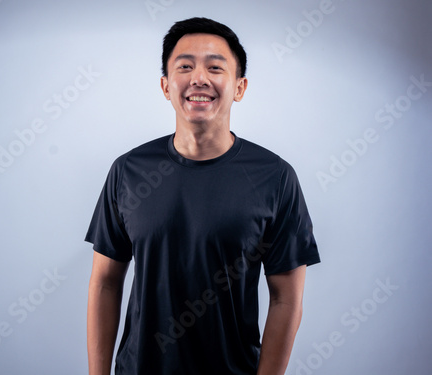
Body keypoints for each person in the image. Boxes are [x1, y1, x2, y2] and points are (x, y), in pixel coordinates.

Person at [86, 17, 320, 375]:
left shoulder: (275, 177)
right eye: (185, 66)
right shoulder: (128, 172)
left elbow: (286, 297)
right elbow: (105, 282)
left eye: (215, 67)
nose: (199, 78)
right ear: (166, 86)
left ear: (239, 87)